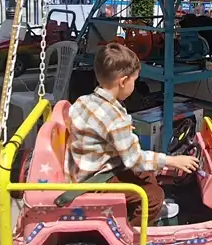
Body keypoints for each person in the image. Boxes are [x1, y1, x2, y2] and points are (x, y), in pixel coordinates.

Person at [65, 43, 199, 224]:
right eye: (134, 81)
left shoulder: (83, 101)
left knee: (147, 175)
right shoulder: (114, 118)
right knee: (154, 197)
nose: (134, 85)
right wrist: (172, 160)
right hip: (95, 180)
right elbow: (133, 160)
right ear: (123, 81)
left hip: (86, 167)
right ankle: (130, 233)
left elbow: (93, 129)